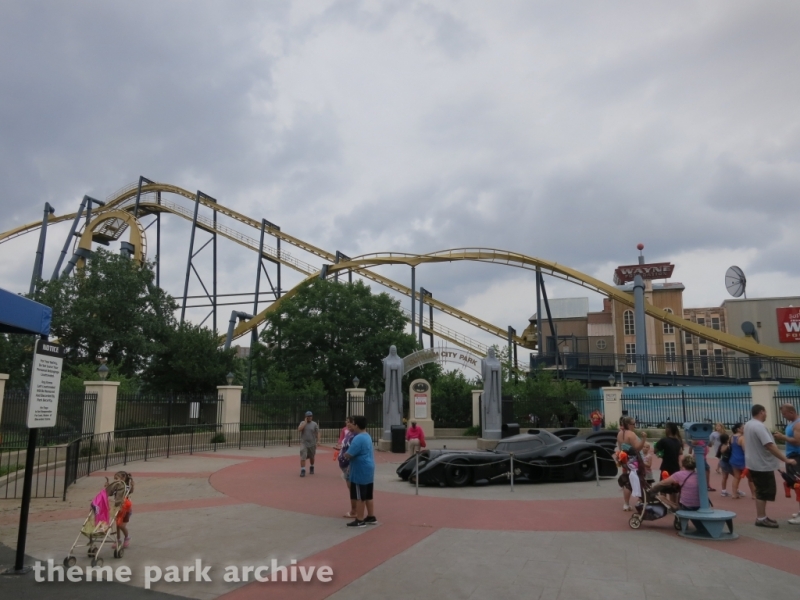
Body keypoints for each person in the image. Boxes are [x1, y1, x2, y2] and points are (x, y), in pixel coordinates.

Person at [743, 404, 796, 528]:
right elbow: (769, 445)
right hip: (762, 464)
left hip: (754, 463)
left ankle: (762, 516)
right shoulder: (759, 426)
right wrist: (785, 460)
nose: (766, 414)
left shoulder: (749, 424)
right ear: (761, 412)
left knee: (761, 490)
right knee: (763, 491)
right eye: (765, 412)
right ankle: (761, 518)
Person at [344, 415, 377, 527]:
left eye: (352, 423)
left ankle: (360, 519)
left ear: (357, 425)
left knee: (359, 496)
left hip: (360, 470)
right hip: (368, 468)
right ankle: (371, 516)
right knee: (368, 495)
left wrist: (344, 453)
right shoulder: (367, 436)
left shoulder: (358, 438)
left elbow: (349, 454)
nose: (351, 425)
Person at [774, 403, 800, 525]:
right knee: (794, 484)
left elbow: (797, 441)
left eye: (784, 414)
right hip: (792, 456)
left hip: (796, 457)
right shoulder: (792, 423)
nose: (783, 416)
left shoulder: (797, 424)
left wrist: (782, 437)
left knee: (798, 485)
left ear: (791, 412)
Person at [617, 416, 646, 511]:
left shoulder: (620, 433)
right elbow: (638, 448)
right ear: (628, 424)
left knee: (627, 481)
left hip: (625, 459)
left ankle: (626, 504)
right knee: (640, 479)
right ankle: (640, 500)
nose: (635, 425)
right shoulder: (631, 434)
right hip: (634, 461)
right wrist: (644, 439)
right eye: (633, 424)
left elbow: (620, 448)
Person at [336, 417, 357, 519]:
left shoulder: (356, 436)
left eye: (350, 422)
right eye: (347, 422)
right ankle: (355, 509)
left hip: (349, 465)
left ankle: (354, 510)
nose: (348, 424)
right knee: (350, 488)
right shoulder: (348, 433)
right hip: (344, 465)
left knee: (353, 488)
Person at [111, 471, 134, 550]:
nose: (115, 480)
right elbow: (110, 492)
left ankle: (127, 537)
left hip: (125, 509)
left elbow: (130, 491)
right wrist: (107, 487)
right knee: (117, 525)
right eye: (114, 479)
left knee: (121, 525)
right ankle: (118, 540)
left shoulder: (125, 487)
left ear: (123, 478)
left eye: (116, 478)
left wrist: (132, 485)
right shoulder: (116, 487)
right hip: (118, 508)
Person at [729, 423, 752, 499]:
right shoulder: (742, 438)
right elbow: (745, 450)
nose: (744, 429)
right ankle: (754, 494)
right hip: (743, 460)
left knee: (736, 477)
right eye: (743, 427)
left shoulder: (732, 437)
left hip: (734, 459)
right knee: (751, 478)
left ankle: (734, 494)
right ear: (738, 429)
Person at [298, 410, 320, 477]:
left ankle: (312, 466)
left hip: (312, 443)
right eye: (308, 416)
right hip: (304, 443)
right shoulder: (302, 423)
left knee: (312, 457)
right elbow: (299, 429)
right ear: (306, 417)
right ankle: (303, 470)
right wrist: (305, 423)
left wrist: (318, 441)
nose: (309, 417)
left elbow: (317, 433)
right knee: (303, 456)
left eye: (310, 416)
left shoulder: (314, 424)